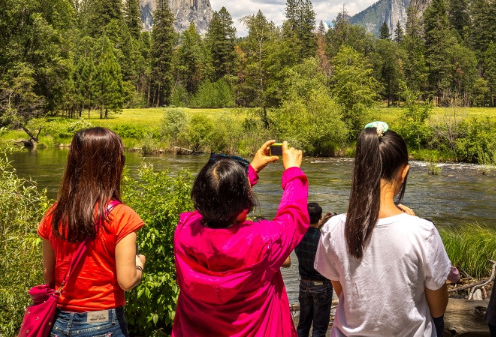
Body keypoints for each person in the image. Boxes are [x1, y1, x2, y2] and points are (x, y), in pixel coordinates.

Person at [315, 122, 451, 337]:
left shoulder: (332, 228)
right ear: (404, 172)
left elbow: (345, 295)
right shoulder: (423, 232)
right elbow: (437, 309)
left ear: (359, 170)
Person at [172, 140, 309, 337]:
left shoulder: (184, 231)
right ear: (245, 199)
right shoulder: (264, 242)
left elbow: (214, 204)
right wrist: (293, 172)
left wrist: (251, 171)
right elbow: (293, 216)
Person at [38, 127, 145, 337]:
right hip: (104, 323)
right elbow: (127, 281)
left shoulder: (53, 214)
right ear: (115, 165)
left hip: (59, 322)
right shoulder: (122, 216)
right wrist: (140, 263)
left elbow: (49, 275)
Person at [295, 202, 334, 337]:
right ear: (320, 216)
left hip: (304, 284)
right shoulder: (323, 238)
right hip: (321, 285)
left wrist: (320, 223)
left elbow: (309, 231)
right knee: (319, 328)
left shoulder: (298, 235)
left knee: (303, 326)